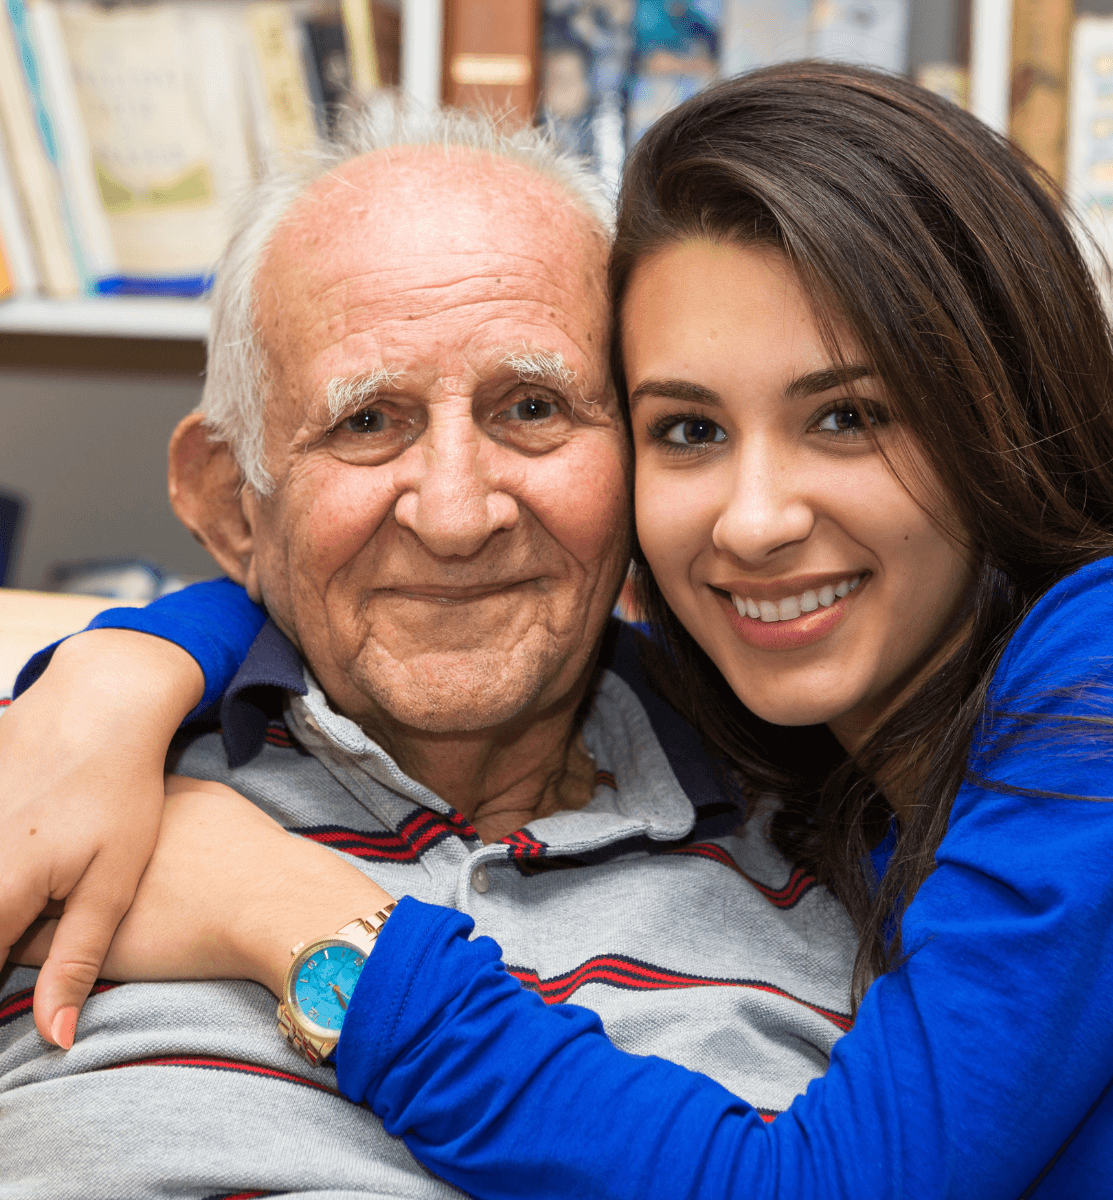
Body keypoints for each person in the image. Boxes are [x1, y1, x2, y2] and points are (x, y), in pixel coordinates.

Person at [10, 62, 1113, 1198]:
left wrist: (297, 917)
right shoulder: (816, 775)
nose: (750, 522)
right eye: (687, 429)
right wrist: (135, 660)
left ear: (994, 418)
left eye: (847, 415)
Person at [0, 101, 860, 1197]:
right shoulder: (53, 791)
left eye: (533, 407)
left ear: (650, 465)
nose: (456, 515)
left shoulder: (849, 843)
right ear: (233, 501)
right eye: (367, 422)